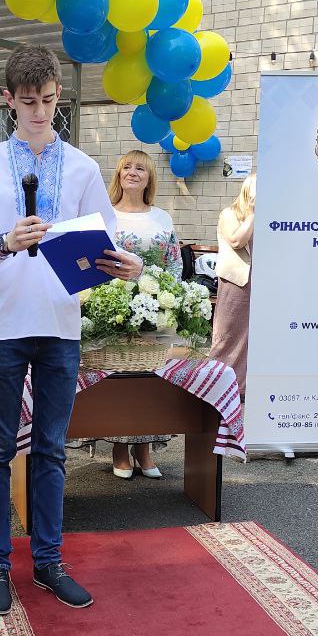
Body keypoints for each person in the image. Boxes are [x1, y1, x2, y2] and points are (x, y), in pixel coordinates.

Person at [0, 45, 144, 616]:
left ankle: (48, 561)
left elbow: (104, 245)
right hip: (4, 324)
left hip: (61, 323)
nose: (39, 112)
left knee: (52, 449)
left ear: (60, 94)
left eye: (47, 100)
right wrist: (5, 241)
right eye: (28, 101)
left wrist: (126, 266)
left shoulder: (82, 167)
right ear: (8, 99)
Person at [107, 148, 182, 480]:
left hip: (155, 309)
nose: (132, 172)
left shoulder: (162, 217)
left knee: (151, 381)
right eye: (127, 167)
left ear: (150, 177)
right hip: (114, 310)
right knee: (120, 381)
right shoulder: (106, 215)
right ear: (119, 175)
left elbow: (174, 263)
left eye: (140, 168)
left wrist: (166, 296)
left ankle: (145, 449)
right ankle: (119, 448)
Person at [210, 173, 256, 395]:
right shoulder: (230, 214)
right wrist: (253, 214)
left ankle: (242, 387)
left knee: (251, 336)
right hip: (237, 282)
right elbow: (237, 240)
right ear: (248, 190)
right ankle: (217, 383)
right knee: (228, 334)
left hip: (261, 282)